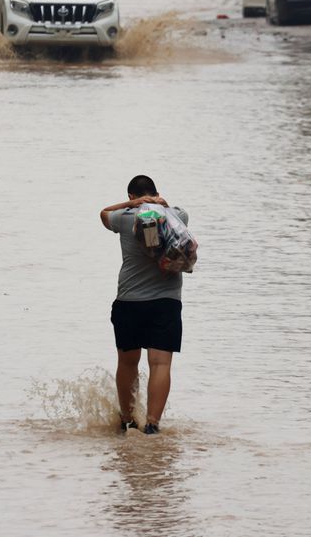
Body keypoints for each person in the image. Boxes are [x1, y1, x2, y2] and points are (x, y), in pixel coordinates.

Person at [100, 175, 188, 435]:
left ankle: (127, 420)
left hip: (129, 301)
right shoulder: (178, 215)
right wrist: (162, 204)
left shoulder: (124, 218)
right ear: (157, 193)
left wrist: (130, 205)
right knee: (160, 364)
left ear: (132, 197)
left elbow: (103, 213)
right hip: (166, 302)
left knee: (128, 363)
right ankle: (152, 425)